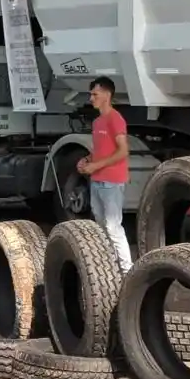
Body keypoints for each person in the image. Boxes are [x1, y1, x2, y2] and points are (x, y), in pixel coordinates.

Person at [77, 76, 132, 272]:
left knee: (113, 227)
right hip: (97, 180)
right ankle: (110, 269)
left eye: (95, 94)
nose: (91, 98)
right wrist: (87, 160)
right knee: (101, 227)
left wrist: (96, 165)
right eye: (91, 94)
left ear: (107, 95)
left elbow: (123, 151)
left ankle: (127, 270)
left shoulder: (115, 119)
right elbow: (101, 150)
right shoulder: (98, 122)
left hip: (112, 182)